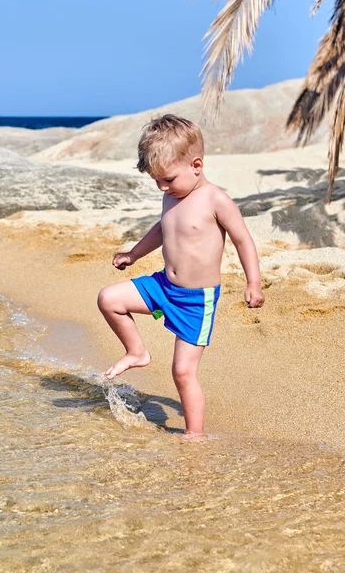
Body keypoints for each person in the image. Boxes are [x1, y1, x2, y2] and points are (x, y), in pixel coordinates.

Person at [97, 114, 265, 440]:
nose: (163, 187)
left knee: (183, 372)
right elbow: (162, 229)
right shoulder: (170, 196)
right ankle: (137, 352)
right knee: (109, 298)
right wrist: (133, 255)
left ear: (197, 165)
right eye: (157, 181)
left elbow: (243, 239)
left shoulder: (216, 199)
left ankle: (194, 434)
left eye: (169, 179)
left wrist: (253, 282)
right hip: (163, 286)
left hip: (194, 301)